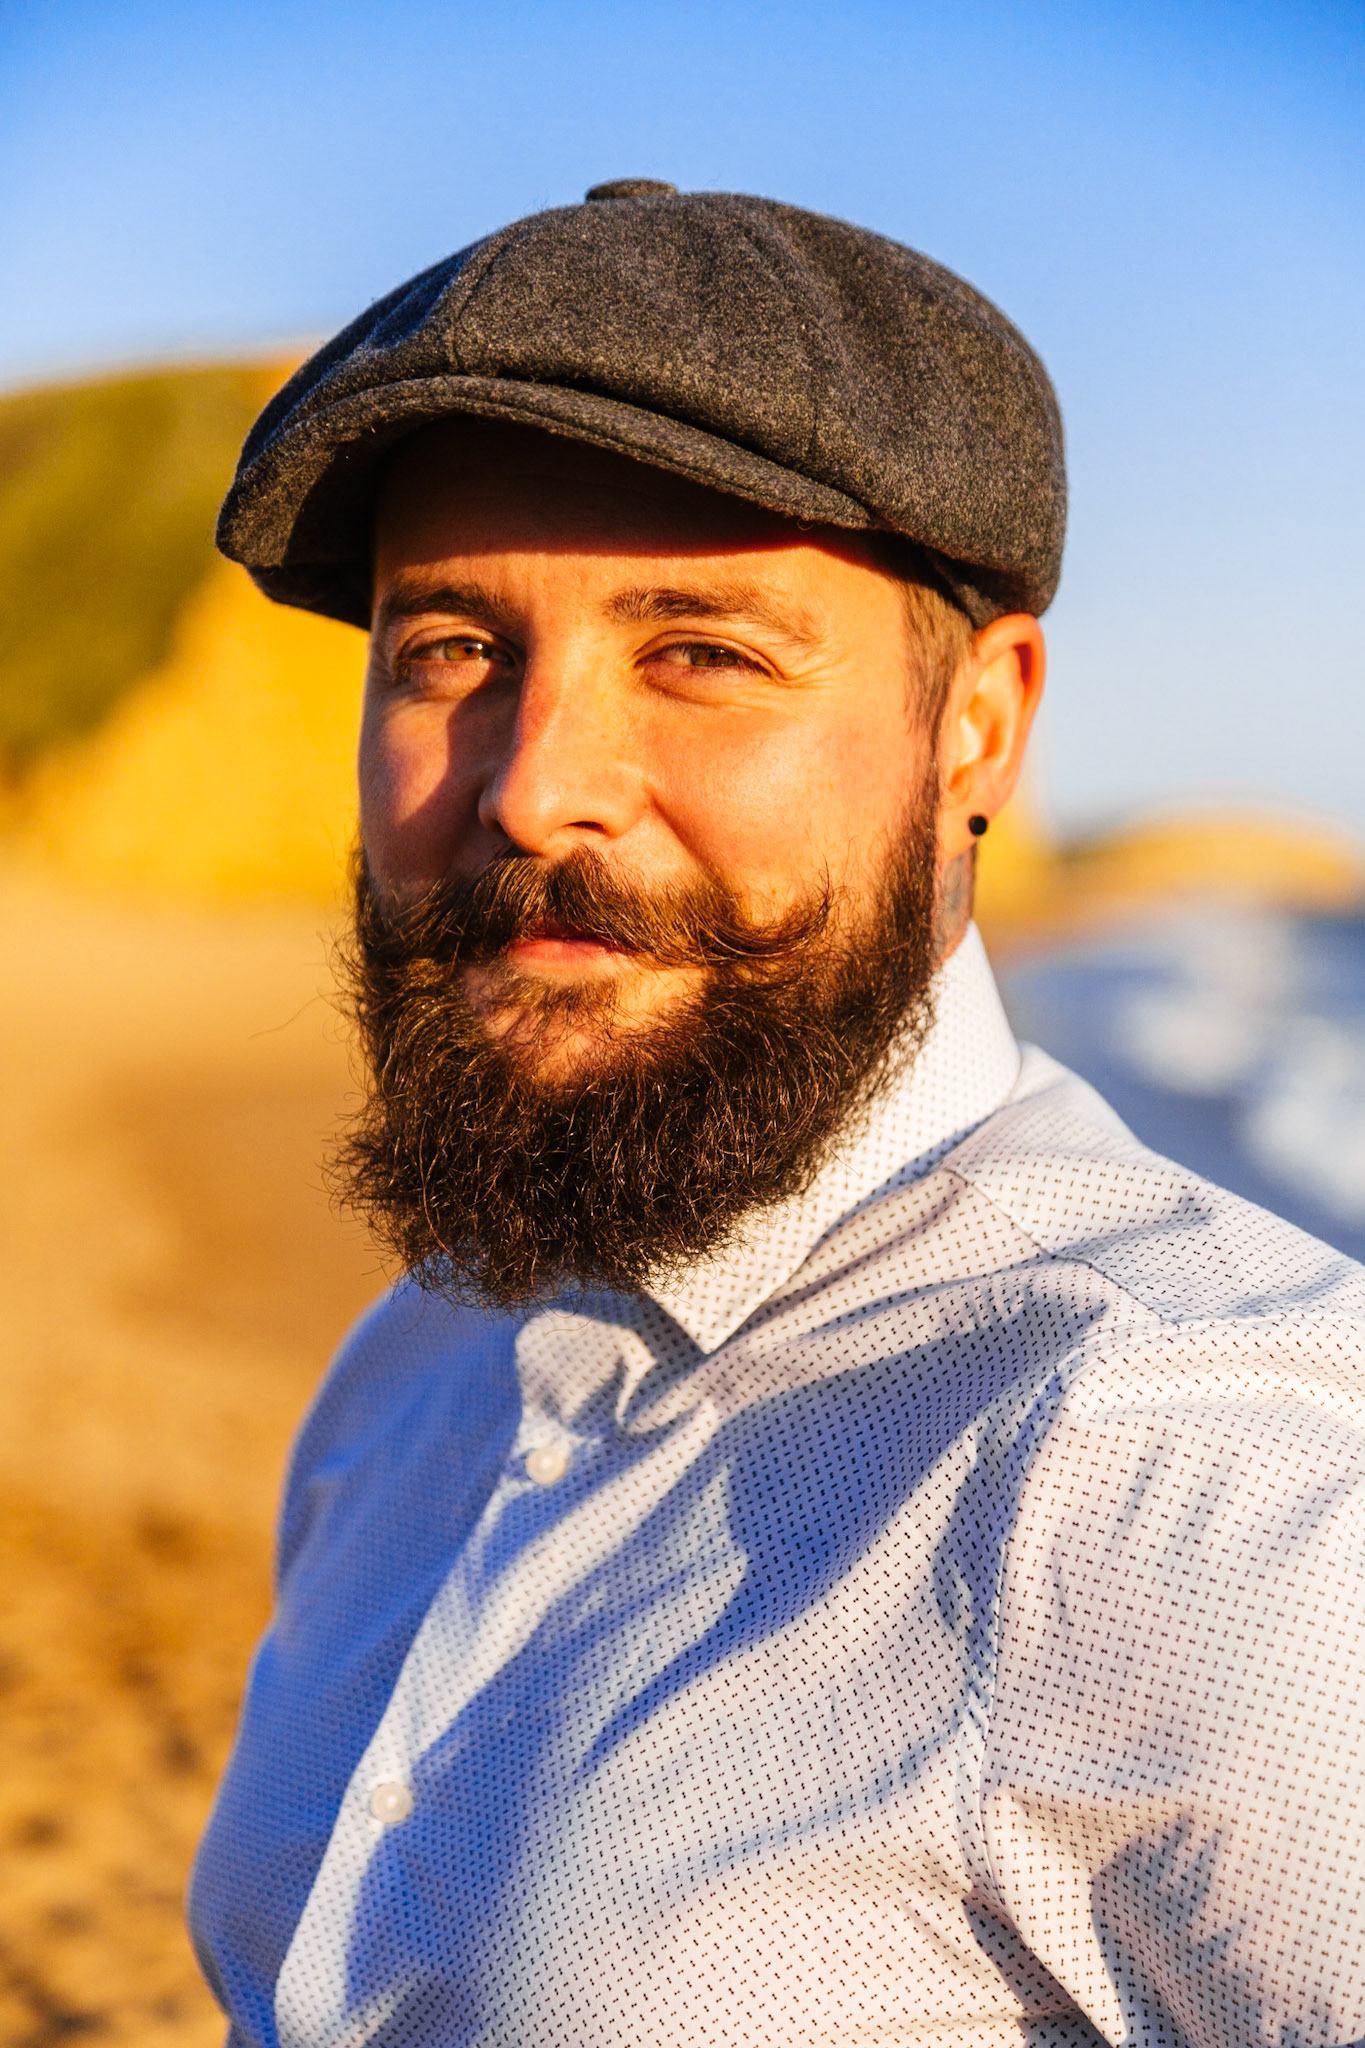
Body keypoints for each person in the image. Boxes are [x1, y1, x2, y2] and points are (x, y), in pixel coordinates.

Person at [190, 182, 1365, 2048]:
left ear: (975, 726)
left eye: (704, 654)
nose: (535, 786)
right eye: (447, 653)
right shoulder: (416, 1363)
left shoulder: (1199, 1469)